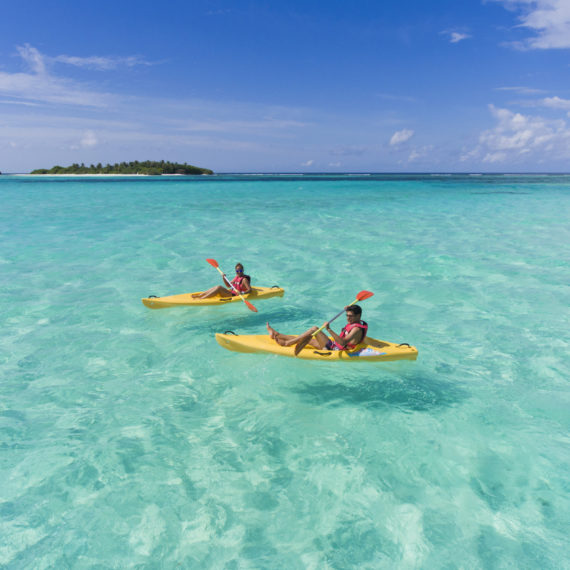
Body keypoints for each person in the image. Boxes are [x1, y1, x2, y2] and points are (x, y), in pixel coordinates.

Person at [266, 305, 368, 351]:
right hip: (334, 345)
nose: (348, 318)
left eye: (350, 316)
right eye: (347, 315)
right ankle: (278, 335)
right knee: (306, 338)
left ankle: (288, 343)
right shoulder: (357, 321)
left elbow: (343, 342)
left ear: (358, 316)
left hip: (334, 349)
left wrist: (328, 329)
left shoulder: (356, 329)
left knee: (314, 329)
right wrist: (349, 308)